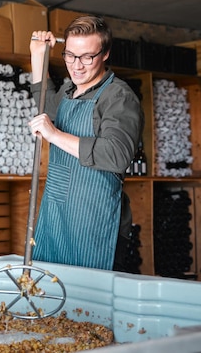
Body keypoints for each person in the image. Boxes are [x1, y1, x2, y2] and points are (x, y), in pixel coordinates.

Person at [28, 16, 144, 271]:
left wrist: (55, 135)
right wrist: (38, 57)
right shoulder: (70, 90)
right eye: (69, 55)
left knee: (90, 305)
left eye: (86, 57)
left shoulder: (119, 97)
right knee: (50, 295)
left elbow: (116, 155)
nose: (76, 66)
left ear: (105, 54)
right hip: (57, 217)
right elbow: (47, 113)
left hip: (95, 221)